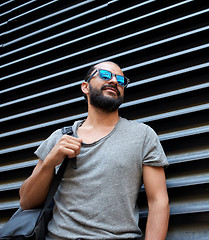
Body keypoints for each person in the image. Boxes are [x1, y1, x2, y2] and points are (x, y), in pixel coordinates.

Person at [19, 61, 170, 240]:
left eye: (121, 80)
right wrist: (50, 161)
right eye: (105, 75)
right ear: (85, 87)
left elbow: (158, 202)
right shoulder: (60, 137)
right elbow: (27, 202)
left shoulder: (142, 135)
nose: (114, 81)